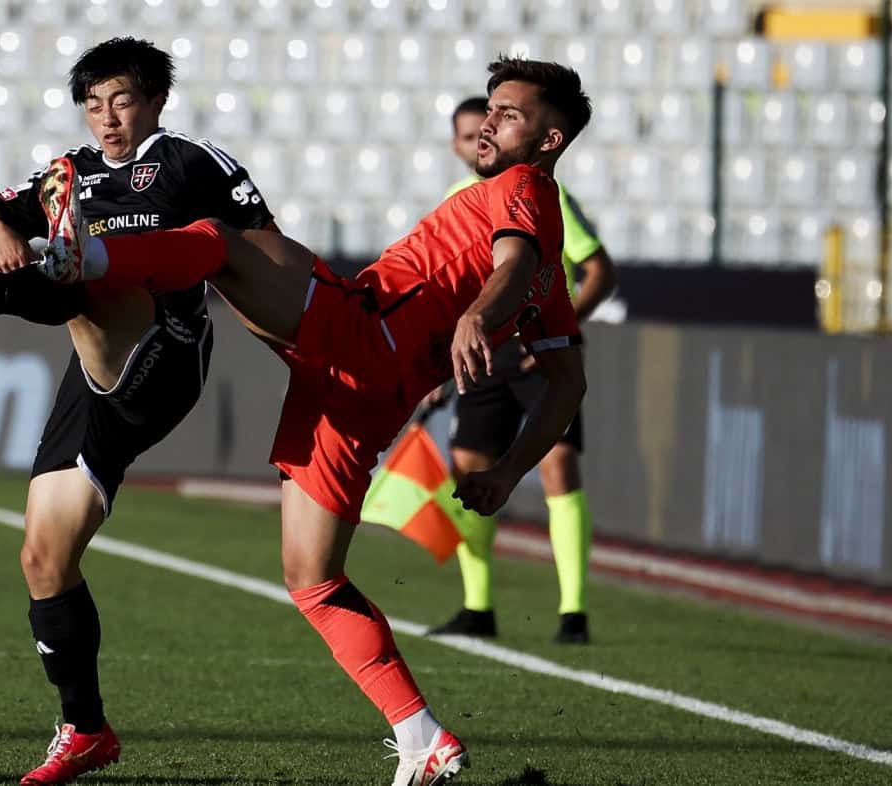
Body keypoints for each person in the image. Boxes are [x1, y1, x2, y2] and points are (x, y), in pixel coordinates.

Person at [33, 57, 591, 786]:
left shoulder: (524, 190)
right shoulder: (550, 270)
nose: (488, 124)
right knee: (314, 581)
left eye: (509, 115)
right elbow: (569, 380)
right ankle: (422, 738)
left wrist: (477, 319)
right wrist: (510, 472)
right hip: (357, 398)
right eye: (489, 110)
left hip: (361, 334)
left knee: (222, 243)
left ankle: (86, 257)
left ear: (549, 141)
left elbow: (510, 265)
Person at [0, 37, 275, 786]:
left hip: (167, 346)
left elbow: (267, 254)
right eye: (94, 105)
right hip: (91, 379)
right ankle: (86, 730)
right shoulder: (74, 170)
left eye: (122, 101)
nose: (108, 118)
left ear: (155, 100)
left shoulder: (193, 163)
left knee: (97, 288)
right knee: (44, 557)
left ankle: (29, 282)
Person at [425, 97, 618, 645]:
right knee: (469, 470)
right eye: (468, 135)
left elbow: (598, 269)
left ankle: (573, 612)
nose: (479, 139)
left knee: (558, 464)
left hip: (538, 349)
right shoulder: (456, 200)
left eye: (487, 127)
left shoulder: (540, 195)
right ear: (456, 146)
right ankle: (477, 606)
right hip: (486, 351)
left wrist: (557, 328)